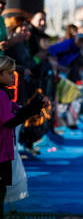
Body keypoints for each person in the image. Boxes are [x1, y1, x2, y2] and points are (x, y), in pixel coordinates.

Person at [0, 56, 48, 217]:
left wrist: (36, 106)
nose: (13, 76)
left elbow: (18, 109)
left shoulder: (4, 93)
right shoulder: (1, 94)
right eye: (9, 73)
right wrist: (33, 110)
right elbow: (10, 121)